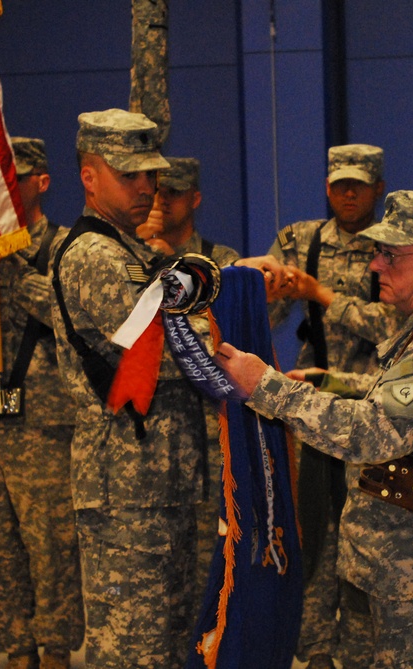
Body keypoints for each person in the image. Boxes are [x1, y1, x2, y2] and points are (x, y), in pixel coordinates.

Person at [216, 189, 413, 669]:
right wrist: (329, 381)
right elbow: (405, 404)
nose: (376, 265)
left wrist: (264, 386)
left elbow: (372, 431)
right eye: (379, 252)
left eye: (391, 255)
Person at [51, 109, 205, 668]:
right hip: (125, 489)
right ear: (90, 177)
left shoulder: (135, 250)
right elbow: (169, 346)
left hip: (156, 479)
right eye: (130, 175)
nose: (147, 188)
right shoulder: (98, 255)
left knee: (168, 638)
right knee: (132, 647)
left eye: (151, 175)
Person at [245, 144, 403, 668]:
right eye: (339, 184)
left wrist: (322, 292)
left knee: (378, 542)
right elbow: (264, 321)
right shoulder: (300, 239)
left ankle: (366, 653)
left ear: (378, 188)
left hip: (387, 418)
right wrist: (270, 287)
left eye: (359, 184)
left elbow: (398, 329)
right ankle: (313, 651)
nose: (348, 193)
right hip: (318, 414)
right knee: (312, 539)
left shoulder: (397, 248)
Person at [0, 137, 85, 669]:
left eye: (16, 178)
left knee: (52, 547)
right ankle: (16, 649)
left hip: (45, 425)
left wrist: (15, 269)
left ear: (42, 182)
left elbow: (76, 319)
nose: (3, 188)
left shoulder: (69, 247)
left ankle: (53, 649)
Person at [134, 156, 240, 580]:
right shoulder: (128, 257)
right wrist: (145, 257)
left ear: (194, 198)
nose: (162, 202)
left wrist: (167, 267)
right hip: (149, 433)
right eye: (156, 192)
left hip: (209, 432)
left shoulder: (220, 260)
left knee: (210, 556)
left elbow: (217, 338)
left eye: (173, 193)